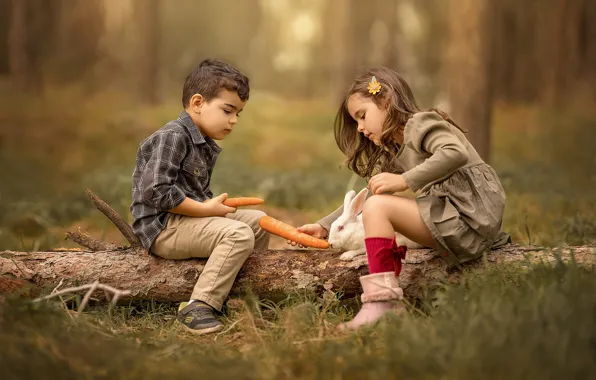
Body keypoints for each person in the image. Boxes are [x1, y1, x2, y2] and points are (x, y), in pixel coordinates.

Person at [294, 67, 509, 330]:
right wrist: (325, 226)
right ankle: (383, 298)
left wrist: (405, 180)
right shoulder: (397, 145)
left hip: (468, 219)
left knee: (378, 207)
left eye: (362, 116)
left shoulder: (421, 123)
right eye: (356, 122)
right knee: (377, 202)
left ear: (385, 101)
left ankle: (382, 302)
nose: (360, 128)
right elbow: (373, 191)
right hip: (457, 220)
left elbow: (454, 152)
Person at [130, 59, 269, 335]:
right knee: (238, 234)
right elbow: (156, 190)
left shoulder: (202, 140)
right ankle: (199, 305)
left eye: (238, 114)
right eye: (228, 110)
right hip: (164, 227)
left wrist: (211, 207)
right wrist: (207, 211)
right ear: (197, 103)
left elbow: (193, 191)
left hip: (186, 220)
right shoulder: (173, 136)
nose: (233, 120)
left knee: (259, 222)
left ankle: (245, 296)